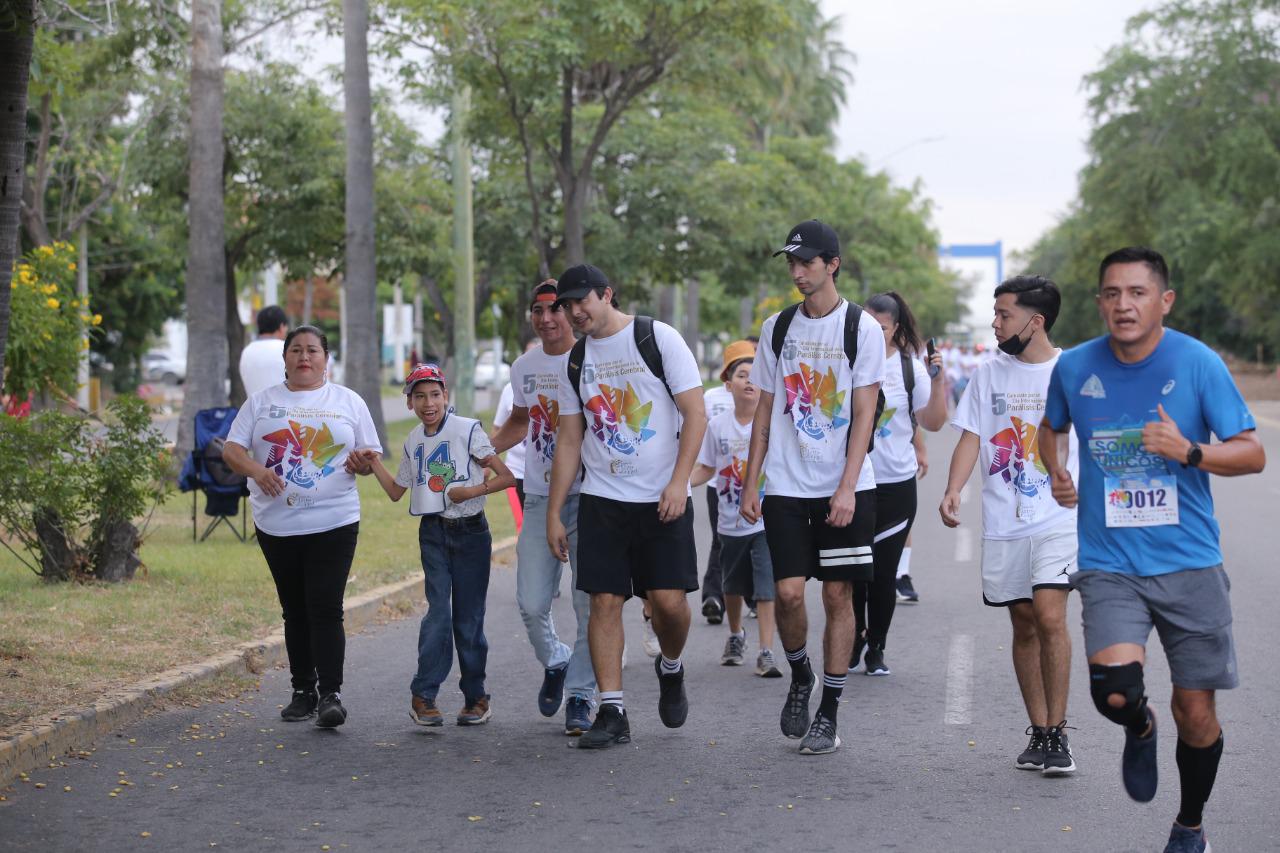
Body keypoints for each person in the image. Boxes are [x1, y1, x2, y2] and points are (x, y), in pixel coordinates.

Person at [1040, 247, 1265, 853]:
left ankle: (1190, 826)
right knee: (1113, 690)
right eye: (1112, 294)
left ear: (1163, 301)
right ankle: (1138, 725)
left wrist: (1189, 450)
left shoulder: (1198, 363)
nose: (1123, 305)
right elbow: (1050, 427)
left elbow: (1252, 452)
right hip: (1111, 563)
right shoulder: (1075, 367)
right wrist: (1057, 471)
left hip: (1190, 563)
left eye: (1138, 293)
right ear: (1099, 303)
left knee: (1196, 712)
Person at [546, 263, 707, 749]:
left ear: (606, 294)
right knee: (604, 601)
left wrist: (679, 483)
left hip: (662, 499)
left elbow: (695, 412)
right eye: (567, 306)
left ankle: (671, 665)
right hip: (603, 500)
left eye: (582, 302)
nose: (575, 313)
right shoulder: (575, 361)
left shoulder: (656, 338)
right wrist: (555, 511)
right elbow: (570, 439)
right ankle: (612, 710)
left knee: (669, 605)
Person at [740, 220, 885, 756]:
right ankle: (801, 676)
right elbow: (766, 409)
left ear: (833, 265)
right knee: (788, 593)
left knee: (839, 595)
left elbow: (865, 410)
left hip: (845, 486)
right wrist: (752, 480)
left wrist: (846, 486)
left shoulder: (860, 329)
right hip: (787, 484)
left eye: (807, 263)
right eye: (792, 264)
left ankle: (829, 710)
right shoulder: (777, 328)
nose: (798, 273)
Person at [938, 275, 1080, 776]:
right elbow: (972, 437)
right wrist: (954, 488)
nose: (995, 324)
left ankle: (1059, 733)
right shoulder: (988, 373)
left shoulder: (1071, 372)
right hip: (1006, 518)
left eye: (1003, 315)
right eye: (995, 314)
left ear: (1035, 322)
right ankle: (1039, 730)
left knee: (1049, 614)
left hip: (1061, 516)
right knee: (1022, 620)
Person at [222, 325, 381, 728]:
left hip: (335, 519)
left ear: (326, 359)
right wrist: (258, 471)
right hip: (277, 524)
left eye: (312, 350)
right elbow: (231, 449)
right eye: (296, 350)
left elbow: (370, 454)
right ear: (285, 359)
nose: (304, 357)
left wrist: (362, 463)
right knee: (294, 610)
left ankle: (330, 694)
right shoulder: (261, 403)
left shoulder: (348, 400)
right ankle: (301, 691)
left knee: (326, 607)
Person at [348, 364, 515, 728]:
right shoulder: (412, 442)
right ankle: (424, 695)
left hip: (471, 533)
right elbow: (396, 492)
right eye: (420, 396)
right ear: (409, 402)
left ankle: (476, 697)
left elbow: (507, 477)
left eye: (435, 394)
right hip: (433, 534)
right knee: (438, 613)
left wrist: (472, 491)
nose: (428, 403)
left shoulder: (468, 430)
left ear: (446, 396)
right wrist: (374, 461)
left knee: (468, 619)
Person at [490, 281, 596, 736]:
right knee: (532, 603)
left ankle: (580, 694)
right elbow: (520, 418)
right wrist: (478, 450)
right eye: (538, 310)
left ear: (572, 311)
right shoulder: (524, 366)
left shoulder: (594, 357)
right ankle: (556, 660)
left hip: (593, 497)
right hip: (537, 496)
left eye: (556, 308)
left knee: (589, 603)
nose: (547, 318)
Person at [850, 292, 947, 675]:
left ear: (895, 330)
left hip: (896, 483)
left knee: (884, 572)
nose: (873, 335)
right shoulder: (847, 363)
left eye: (882, 328)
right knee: (855, 572)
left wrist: (939, 382)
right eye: (867, 327)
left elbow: (933, 421)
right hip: (853, 483)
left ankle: (876, 647)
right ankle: (854, 635)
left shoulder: (910, 369)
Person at [691, 340, 781, 678]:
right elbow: (706, 468)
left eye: (754, 376)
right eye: (742, 375)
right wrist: (680, 483)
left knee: (765, 585)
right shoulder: (718, 427)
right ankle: (735, 635)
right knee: (731, 585)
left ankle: (767, 651)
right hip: (729, 520)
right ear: (728, 386)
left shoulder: (774, 425)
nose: (749, 381)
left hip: (764, 520)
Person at [698, 372, 734, 626]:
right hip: (718, 484)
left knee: (756, 544)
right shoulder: (711, 396)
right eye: (740, 371)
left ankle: (756, 597)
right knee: (721, 541)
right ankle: (713, 597)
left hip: (757, 486)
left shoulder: (763, 398)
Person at [493, 339, 541, 509]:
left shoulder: (557, 383)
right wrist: (487, 458)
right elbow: (499, 427)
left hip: (546, 472)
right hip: (517, 470)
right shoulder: (509, 389)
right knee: (523, 525)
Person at [239, 305, 288, 398]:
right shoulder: (287, 349)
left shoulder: (247, 351)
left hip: (253, 411)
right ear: (281, 327)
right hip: (285, 411)